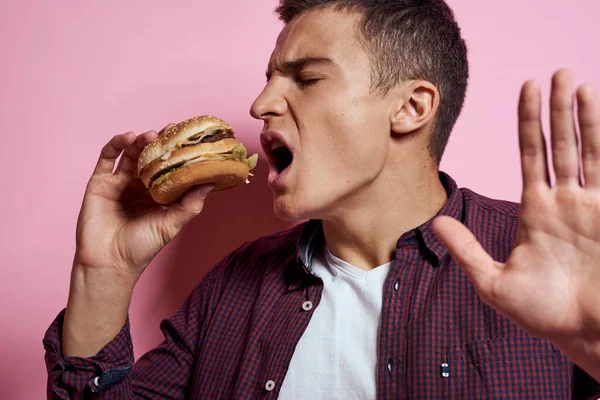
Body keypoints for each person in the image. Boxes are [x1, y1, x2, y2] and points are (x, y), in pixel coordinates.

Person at [43, 0, 600, 399]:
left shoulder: (548, 264)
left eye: (306, 79)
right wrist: (104, 274)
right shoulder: (232, 289)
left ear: (411, 108)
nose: (260, 104)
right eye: (268, 79)